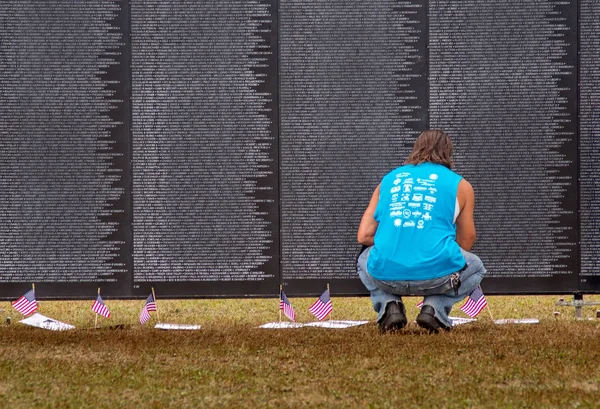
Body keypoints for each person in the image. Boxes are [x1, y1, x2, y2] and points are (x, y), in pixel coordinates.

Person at [356, 129, 486, 333]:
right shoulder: (461, 185)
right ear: (448, 153)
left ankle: (389, 306)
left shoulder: (389, 180)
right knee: (475, 265)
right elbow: (467, 239)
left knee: (364, 258)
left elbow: (363, 235)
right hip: (436, 276)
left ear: (416, 149)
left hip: (386, 276)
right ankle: (434, 309)